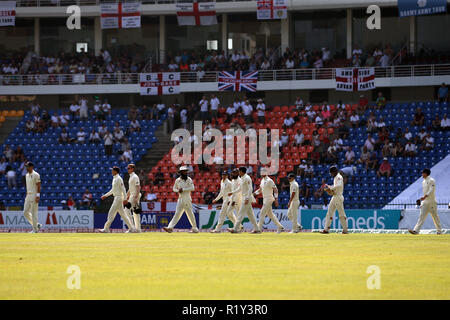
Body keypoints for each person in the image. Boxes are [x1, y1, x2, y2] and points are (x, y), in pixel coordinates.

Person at [99, 166, 136, 233]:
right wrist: (105, 195)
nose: (112, 171)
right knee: (123, 215)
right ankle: (131, 228)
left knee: (111, 213)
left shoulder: (119, 179)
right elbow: (113, 190)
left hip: (118, 198)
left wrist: (125, 199)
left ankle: (106, 228)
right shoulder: (115, 179)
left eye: (112, 170)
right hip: (116, 197)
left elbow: (123, 189)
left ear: (116, 171)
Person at [163, 166, 199, 233]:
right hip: (180, 199)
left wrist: (183, 189)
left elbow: (192, 188)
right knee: (177, 214)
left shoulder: (189, 179)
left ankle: (195, 228)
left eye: (186, 171)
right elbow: (174, 189)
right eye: (184, 171)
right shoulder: (177, 180)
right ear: (181, 172)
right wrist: (178, 191)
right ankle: (170, 227)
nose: (185, 172)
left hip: (187, 198)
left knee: (190, 214)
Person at [227, 167, 261, 234]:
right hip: (244, 197)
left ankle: (235, 228)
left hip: (246, 198)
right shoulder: (242, 178)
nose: (238, 173)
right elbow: (240, 188)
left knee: (240, 214)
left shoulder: (247, 178)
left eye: (239, 171)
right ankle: (257, 229)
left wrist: (247, 198)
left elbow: (250, 189)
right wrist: (232, 192)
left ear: (242, 171)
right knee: (251, 215)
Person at [409, 169, 442, 235]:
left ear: (426, 173)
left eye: (423, 173)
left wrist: (425, 196)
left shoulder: (431, 180)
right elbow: (426, 191)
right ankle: (416, 230)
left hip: (432, 201)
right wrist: (424, 197)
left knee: (435, 216)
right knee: (421, 216)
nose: (422, 174)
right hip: (425, 202)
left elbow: (431, 190)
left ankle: (439, 231)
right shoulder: (423, 181)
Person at [320, 166, 348, 234]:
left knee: (341, 214)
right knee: (329, 213)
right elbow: (335, 187)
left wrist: (330, 188)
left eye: (331, 173)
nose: (331, 174)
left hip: (338, 197)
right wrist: (330, 188)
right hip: (335, 197)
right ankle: (326, 229)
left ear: (334, 172)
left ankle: (345, 230)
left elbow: (339, 186)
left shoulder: (339, 177)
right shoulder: (336, 177)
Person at [23, 162, 42, 233]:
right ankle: (36, 225)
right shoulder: (26, 175)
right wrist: (27, 194)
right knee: (25, 212)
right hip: (28, 195)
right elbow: (28, 186)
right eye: (26, 167)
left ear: (32, 167)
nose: (26, 168)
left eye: (28, 166)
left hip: (34, 195)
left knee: (34, 212)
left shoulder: (36, 175)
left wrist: (37, 196)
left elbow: (39, 185)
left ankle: (35, 229)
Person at [124, 164, 142, 233]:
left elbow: (138, 187)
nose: (127, 169)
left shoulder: (135, 177)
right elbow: (130, 188)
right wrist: (126, 196)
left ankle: (132, 228)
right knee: (135, 212)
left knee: (126, 210)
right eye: (127, 168)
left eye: (129, 168)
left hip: (134, 195)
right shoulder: (131, 177)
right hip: (132, 195)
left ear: (132, 169)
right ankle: (138, 229)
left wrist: (136, 197)